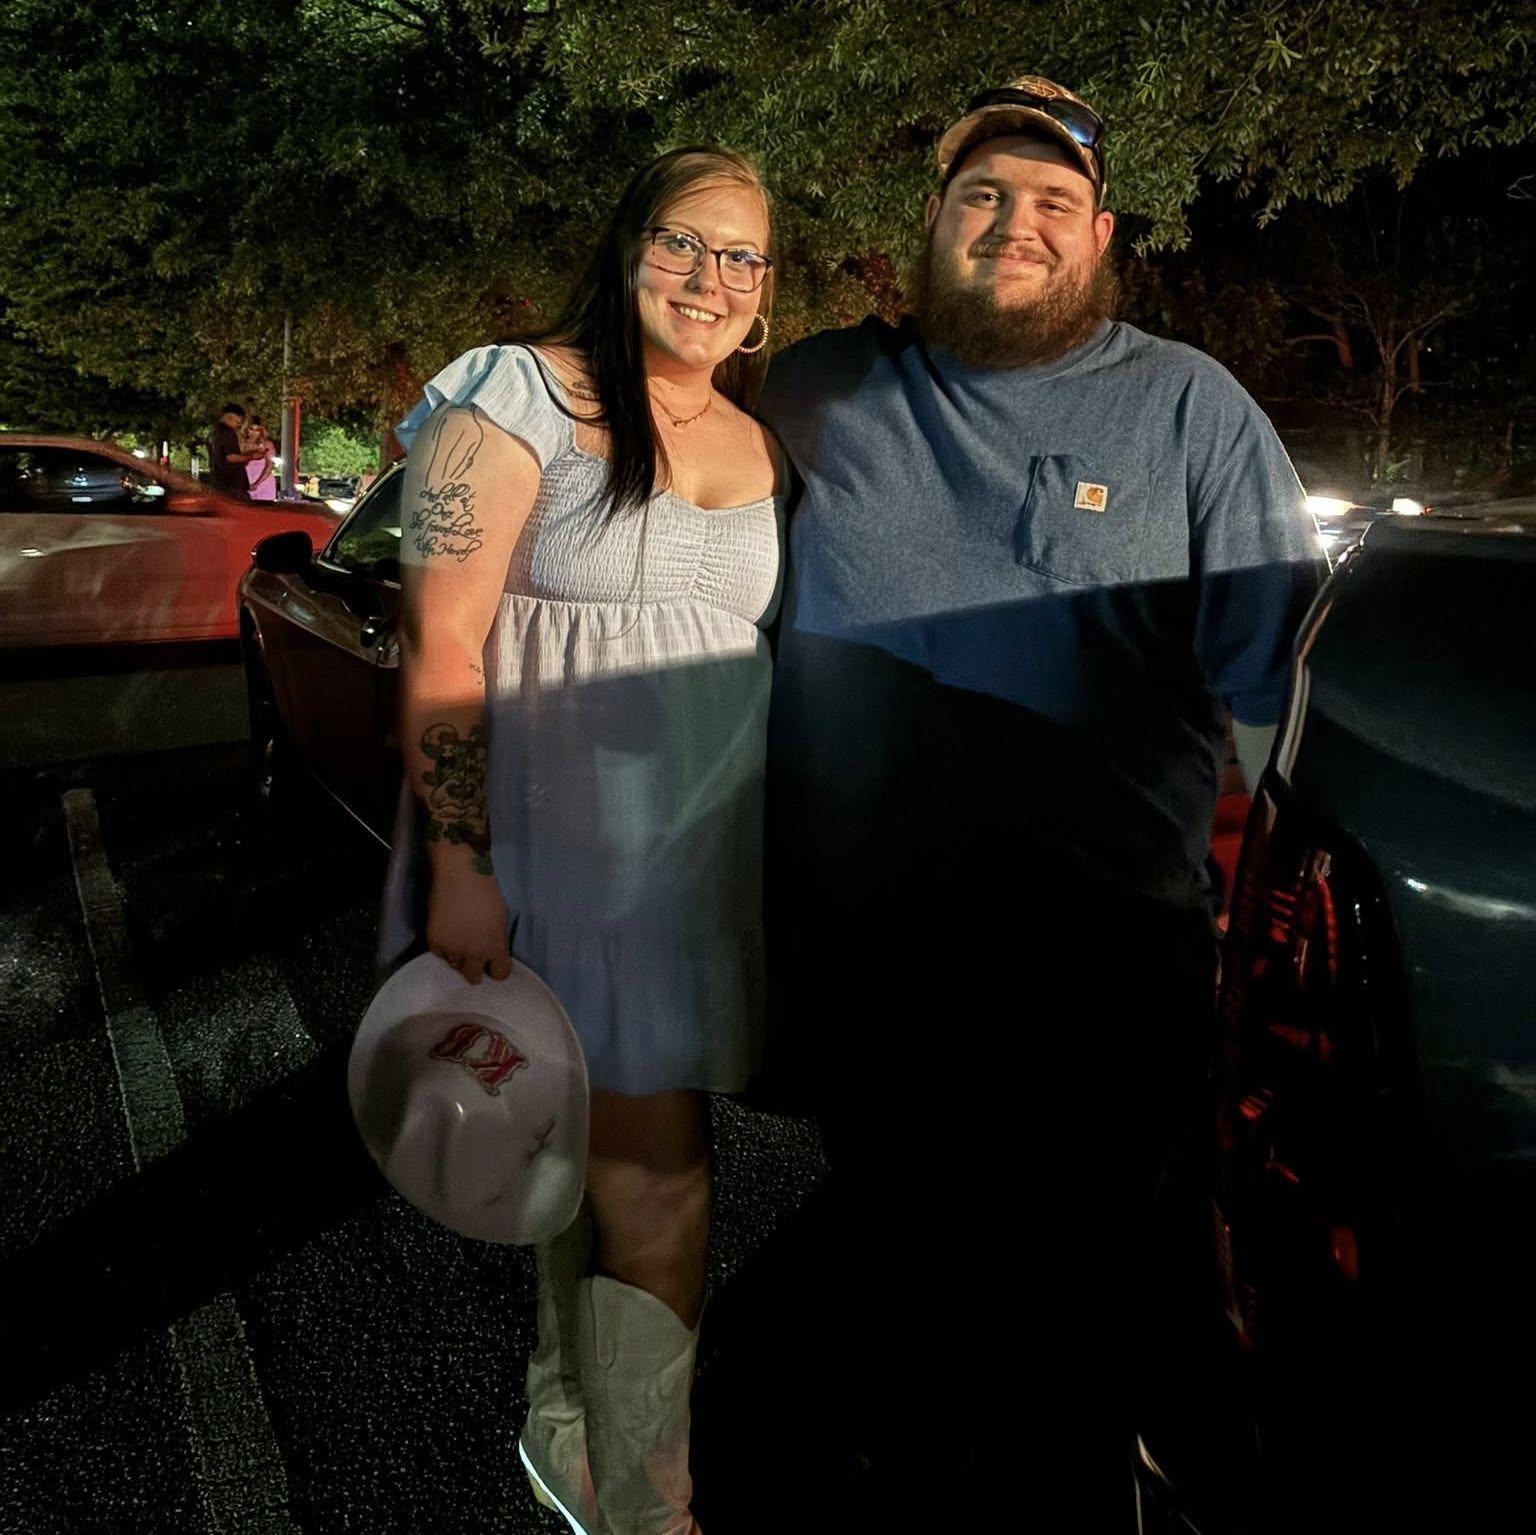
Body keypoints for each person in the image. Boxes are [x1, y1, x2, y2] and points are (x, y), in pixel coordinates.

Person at [756, 76, 1324, 1524]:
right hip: (870, 965)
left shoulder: (1190, 407)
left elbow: (1282, 703)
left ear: (1104, 234)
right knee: (898, 1317)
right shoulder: (814, 392)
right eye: (984, 196)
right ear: (934, 221)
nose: (1016, 223)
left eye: (1053, 201)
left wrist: (1282, 953)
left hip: (1107, 978)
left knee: (1078, 1351)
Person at [384, 146, 782, 1535]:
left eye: (743, 256)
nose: (712, 277)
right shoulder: (518, 393)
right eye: (685, 242)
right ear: (628, 247)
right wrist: (463, 866)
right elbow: (443, 644)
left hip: (694, 873)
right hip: (559, 866)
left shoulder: (760, 438)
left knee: (588, 1165)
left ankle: (569, 1439)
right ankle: (650, 1511)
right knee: (659, 1188)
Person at [209, 403, 260, 499]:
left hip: (220, 481)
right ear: (230, 416)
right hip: (231, 483)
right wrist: (252, 456)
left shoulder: (216, 432)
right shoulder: (228, 432)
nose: (239, 425)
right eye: (238, 421)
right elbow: (231, 457)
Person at [242, 416, 277, 501]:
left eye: (257, 430)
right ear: (246, 429)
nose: (254, 432)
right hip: (244, 486)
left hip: (264, 485)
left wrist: (257, 483)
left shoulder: (267, 445)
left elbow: (269, 466)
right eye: (251, 429)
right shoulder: (241, 444)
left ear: (261, 431)